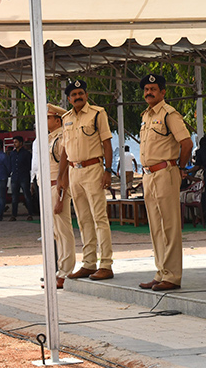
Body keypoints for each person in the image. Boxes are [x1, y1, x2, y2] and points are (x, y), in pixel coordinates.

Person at [136, 74, 193, 292]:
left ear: (163, 92)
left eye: (153, 89)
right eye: (146, 89)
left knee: (169, 226)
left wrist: (180, 168)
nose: (148, 92)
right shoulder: (146, 116)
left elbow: (186, 143)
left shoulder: (169, 114)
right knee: (156, 228)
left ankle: (172, 276)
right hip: (149, 175)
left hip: (166, 172)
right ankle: (161, 272)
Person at [58, 78, 114, 280]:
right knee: (83, 220)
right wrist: (61, 177)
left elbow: (107, 143)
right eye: (73, 95)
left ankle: (106, 264)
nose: (77, 97)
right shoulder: (66, 118)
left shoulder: (97, 113)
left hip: (93, 169)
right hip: (74, 172)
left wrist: (108, 170)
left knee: (99, 217)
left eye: (81, 93)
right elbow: (64, 151)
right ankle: (89, 263)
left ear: (86, 95)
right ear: (69, 99)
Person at [35, 103, 75, 288]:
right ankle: (59, 269)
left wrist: (61, 194)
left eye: (48, 118)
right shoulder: (50, 138)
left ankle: (66, 271)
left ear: (57, 120)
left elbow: (64, 168)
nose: (46, 121)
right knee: (54, 232)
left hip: (56, 187)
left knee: (63, 230)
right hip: (47, 187)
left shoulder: (62, 138)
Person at [8, 136, 35, 221]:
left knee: (27, 195)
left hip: (24, 176)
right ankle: (14, 215)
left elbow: (29, 165)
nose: (14, 144)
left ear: (20, 143)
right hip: (15, 177)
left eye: (16, 142)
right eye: (14, 142)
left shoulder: (26, 153)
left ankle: (30, 213)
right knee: (14, 197)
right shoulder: (12, 153)